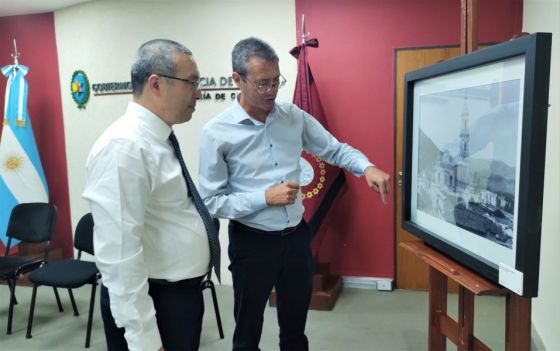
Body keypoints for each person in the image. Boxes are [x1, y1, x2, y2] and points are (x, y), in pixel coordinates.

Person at [198, 37, 391, 351]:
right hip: (252, 243)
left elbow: (335, 149)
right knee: (247, 334)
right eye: (262, 84)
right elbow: (211, 201)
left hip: (298, 239)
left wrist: (365, 167)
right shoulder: (216, 133)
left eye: (276, 81)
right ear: (237, 80)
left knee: (295, 331)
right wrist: (264, 198)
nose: (271, 91)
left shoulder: (292, 116)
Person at [83, 39, 219, 351]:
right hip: (155, 302)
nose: (199, 92)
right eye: (192, 82)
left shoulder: (157, 139)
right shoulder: (124, 148)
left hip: (178, 296)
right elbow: (119, 257)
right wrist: (145, 339)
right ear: (156, 84)